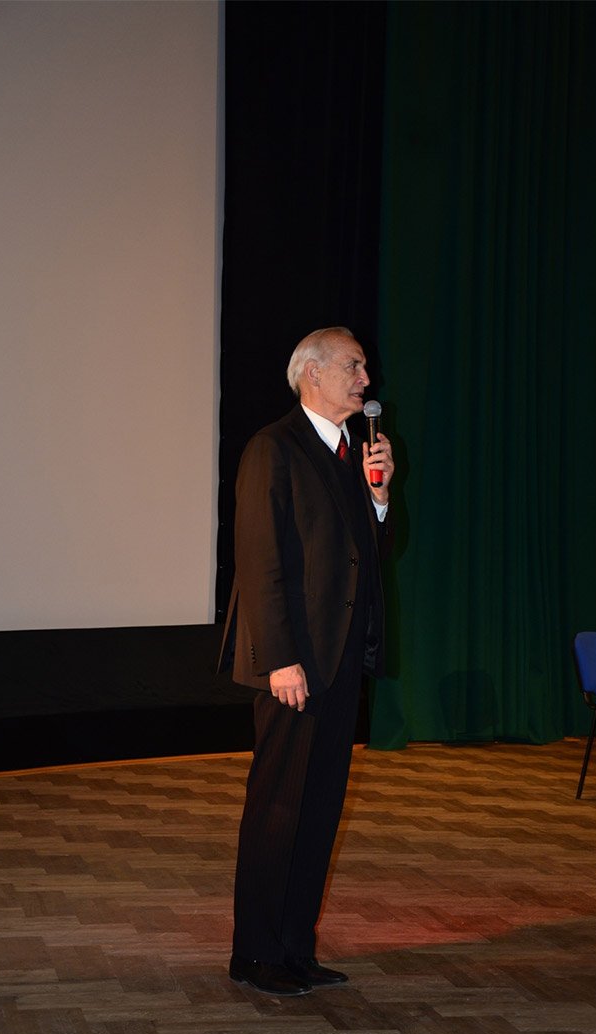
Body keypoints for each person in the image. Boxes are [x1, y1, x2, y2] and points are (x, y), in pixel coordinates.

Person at [219, 326, 395, 996]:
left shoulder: (354, 454)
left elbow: (369, 556)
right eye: (354, 366)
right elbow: (259, 559)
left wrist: (380, 498)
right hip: (294, 663)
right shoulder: (274, 448)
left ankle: (296, 948)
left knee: (319, 809)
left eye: (364, 368)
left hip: (340, 659)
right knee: (278, 809)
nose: (366, 380)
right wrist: (280, 659)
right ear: (312, 373)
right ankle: (255, 952)